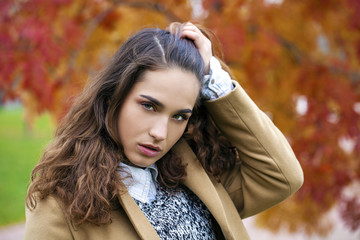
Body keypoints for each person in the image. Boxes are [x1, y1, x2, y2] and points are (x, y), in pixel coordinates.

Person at [24, 22, 303, 240]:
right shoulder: (61, 199)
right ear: (114, 97)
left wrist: (212, 76)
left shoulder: (195, 173)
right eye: (149, 106)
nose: (160, 133)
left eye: (180, 116)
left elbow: (282, 176)